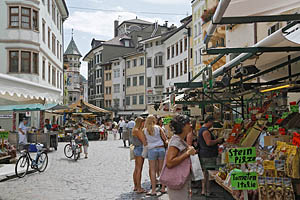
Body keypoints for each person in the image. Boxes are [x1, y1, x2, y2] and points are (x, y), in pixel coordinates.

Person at [166, 115, 197, 200]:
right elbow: (169, 163)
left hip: (181, 181)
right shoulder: (176, 141)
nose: (191, 125)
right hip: (177, 181)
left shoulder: (179, 139)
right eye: (188, 123)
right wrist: (187, 153)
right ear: (183, 126)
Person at [198, 116, 224, 197]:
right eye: (212, 122)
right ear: (208, 121)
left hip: (204, 154)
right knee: (209, 173)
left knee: (205, 173)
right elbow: (208, 143)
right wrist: (217, 140)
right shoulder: (205, 131)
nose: (212, 124)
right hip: (208, 155)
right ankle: (207, 191)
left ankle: (204, 191)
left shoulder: (201, 130)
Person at [144, 115, 167, 196]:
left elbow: (145, 142)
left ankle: (153, 190)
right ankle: (163, 187)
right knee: (162, 169)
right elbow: (165, 138)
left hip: (151, 150)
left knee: (152, 170)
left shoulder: (145, 130)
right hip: (161, 149)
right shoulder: (158, 128)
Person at [132, 117, 147, 194]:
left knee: (136, 168)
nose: (144, 124)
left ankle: (136, 186)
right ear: (140, 123)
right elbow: (144, 142)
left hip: (136, 149)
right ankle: (139, 188)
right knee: (139, 169)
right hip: (140, 149)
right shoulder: (139, 131)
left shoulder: (134, 130)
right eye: (143, 122)